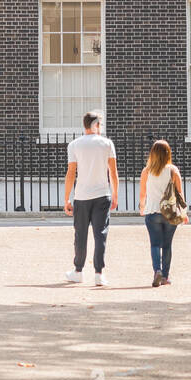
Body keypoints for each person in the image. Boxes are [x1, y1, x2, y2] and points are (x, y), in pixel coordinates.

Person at [63, 111, 118, 286]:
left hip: (82, 196)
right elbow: (113, 172)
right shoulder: (107, 144)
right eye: (99, 124)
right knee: (100, 234)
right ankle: (99, 273)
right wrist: (115, 194)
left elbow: (71, 173)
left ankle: (78, 271)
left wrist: (66, 199)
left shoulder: (74, 145)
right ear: (96, 125)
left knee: (80, 234)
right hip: (102, 194)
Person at [139, 140, 187, 287]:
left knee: (154, 244)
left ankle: (157, 271)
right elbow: (180, 194)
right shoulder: (173, 170)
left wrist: (142, 207)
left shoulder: (147, 171)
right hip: (170, 213)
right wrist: (184, 212)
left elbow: (142, 193)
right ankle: (165, 277)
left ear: (152, 153)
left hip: (152, 211)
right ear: (168, 154)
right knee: (167, 245)